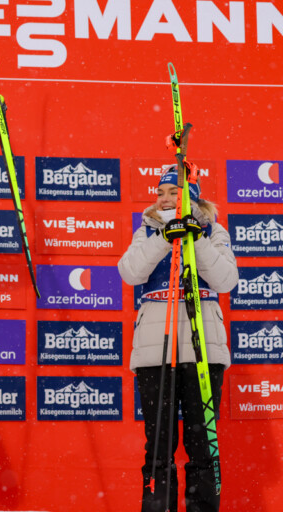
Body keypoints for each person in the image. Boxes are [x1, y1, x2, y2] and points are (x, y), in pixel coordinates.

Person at [118, 163, 238, 512]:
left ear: (191, 197)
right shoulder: (146, 230)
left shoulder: (213, 230)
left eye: (174, 192)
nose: (165, 198)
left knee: (203, 446)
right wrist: (164, 237)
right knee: (158, 446)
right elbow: (129, 272)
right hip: (156, 350)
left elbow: (226, 280)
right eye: (160, 192)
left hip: (204, 349)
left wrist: (195, 237)